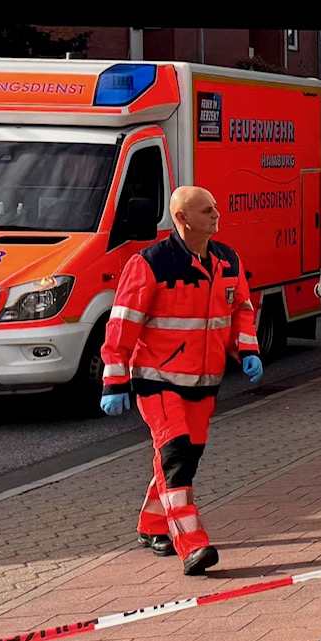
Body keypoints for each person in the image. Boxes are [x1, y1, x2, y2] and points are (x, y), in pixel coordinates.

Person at [100, 184, 262, 577]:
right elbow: (122, 326)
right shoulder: (151, 263)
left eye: (216, 207)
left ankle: (152, 525)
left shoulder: (228, 261)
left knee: (183, 458)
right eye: (207, 210)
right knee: (176, 460)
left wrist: (248, 350)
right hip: (158, 381)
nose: (216, 214)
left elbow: (240, 308)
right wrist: (115, 379)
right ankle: (192, 544)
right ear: (182, 218)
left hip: (204, 383)